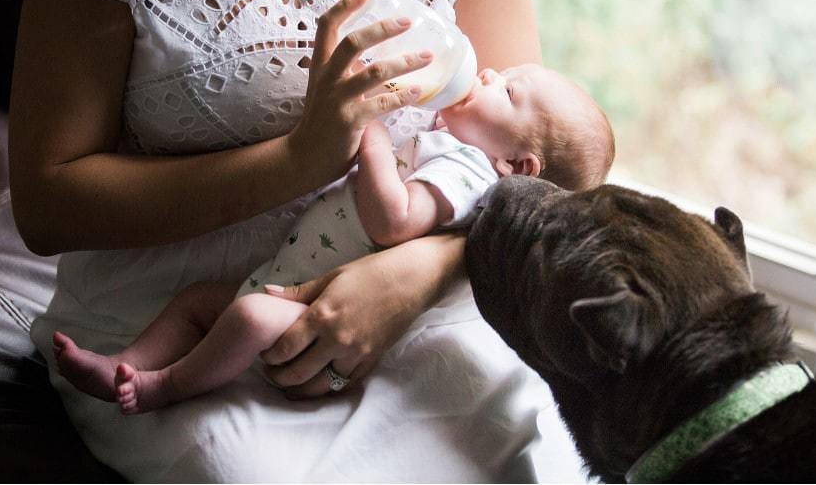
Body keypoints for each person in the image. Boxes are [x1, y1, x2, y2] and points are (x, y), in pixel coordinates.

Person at [8, 0, 575, 481]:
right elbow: (48, 205)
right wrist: (298, 161)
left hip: (423, 295)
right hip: (179, 328)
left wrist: (409, 277)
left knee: (531, 447)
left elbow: (532, 188)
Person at [52, 61, 614, 414]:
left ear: (518, 166)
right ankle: (125, 362)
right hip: (286, 279)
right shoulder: (456, 145)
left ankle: (164, 385)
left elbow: (395, 220)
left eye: (509, 92)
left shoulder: (466, 174)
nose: (488, 75)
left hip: (316, 312)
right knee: (200, 300)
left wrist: (372, 140)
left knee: (246, 317)